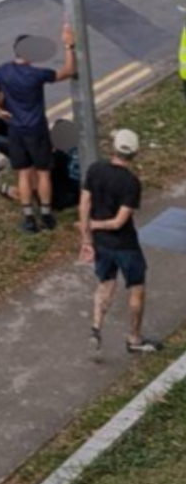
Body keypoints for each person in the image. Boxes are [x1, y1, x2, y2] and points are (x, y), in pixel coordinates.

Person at [0, 24, 78, 234]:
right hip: (37, 129)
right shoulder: (36, 74)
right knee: (43, 173)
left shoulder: (2, 71)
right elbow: (69, 71)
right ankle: (46, 215)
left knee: (23, 174)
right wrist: (69, 45)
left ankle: (28, 218)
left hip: (16, 130)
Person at [81, 129, 160, 355]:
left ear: (113, 148)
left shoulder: (95, 170)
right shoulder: (131, 183)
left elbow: (84, 204)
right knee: (136, 289)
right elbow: (118, 222)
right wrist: (97, 225)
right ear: (134, 154)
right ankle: (134, 338)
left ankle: (96, 329)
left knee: (105, 284)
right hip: (125, 245)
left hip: (100, 243)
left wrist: (87, 237)